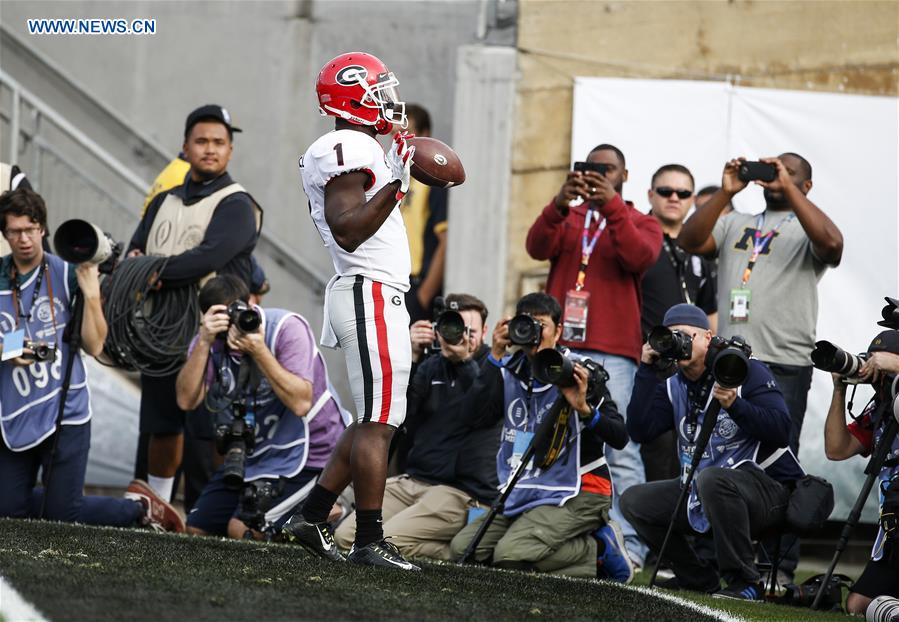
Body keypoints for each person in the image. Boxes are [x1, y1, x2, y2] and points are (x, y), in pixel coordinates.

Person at [281, 52, 419, 570]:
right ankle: (368, 540)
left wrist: (394, 180)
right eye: (377, 88)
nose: (386, 97)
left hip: (373, 290)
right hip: (368, 289)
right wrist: (398, 183)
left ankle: (312, 514)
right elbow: (349, 227)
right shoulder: (346, 145)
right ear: (353, 95)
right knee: (379, 422)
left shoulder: (356, 146)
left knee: (373, 419)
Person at [0, 188, 183, 532]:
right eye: (15, 231)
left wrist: (91, 292)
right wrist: (9, 347)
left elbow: (95, 344)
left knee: (60, 519)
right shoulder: (0, 274)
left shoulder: (66, 272)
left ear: (43, 229)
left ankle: (137, 510)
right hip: (12, 413)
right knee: (9, 513)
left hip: (64, 412)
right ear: (5, 233)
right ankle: (122, 503)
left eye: (31, 228)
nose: (24, 239)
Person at [525, 143, 662, 568]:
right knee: (546, 435)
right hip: (562, 344)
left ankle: (632, 546)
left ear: (624, 175)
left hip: (613, 351)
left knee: (619, 448)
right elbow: (536, 246)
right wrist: (558, 203)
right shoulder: (570, 217)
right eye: (590, 168)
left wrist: (613, 208)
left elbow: (639, 256)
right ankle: (540, 528)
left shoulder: (640, 220)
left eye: (608, 169)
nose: (598, 175)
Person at [127, 104, 262, 505]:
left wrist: (152, 271)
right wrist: (136, 264)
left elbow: (208, 257)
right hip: (161, 334)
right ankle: (155, 507)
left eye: (219, 143)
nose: (210, 149)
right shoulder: (162, 201)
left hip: (217, 335)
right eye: (201, 141)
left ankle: (210, 518)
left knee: (208, 434)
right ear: (184, 147)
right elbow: (137, 246)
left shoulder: (238, 204)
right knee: (159, 424)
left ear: (230, 151)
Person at [621, 303, 802, 600]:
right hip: (703, 489)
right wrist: (646, 368)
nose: (679, 342)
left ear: (708, 337)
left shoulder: (744, 369)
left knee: (713, 479)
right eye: (672, 336)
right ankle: (697, 578)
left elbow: (782, 430)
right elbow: (640, 431)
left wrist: (736, 406)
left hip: (766, 493)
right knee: (635, 501)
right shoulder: (673, 384)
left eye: (686, 335)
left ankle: (745, 580)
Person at [449, 293, 632, 580]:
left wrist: (584, 409)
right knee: (464, 550)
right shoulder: (510, 369)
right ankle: (553, 543)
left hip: (581, 488)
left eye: (541, 325)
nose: (532, 333)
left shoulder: (579, 370)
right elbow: (470, 418)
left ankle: (597, 549)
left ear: (558, 331)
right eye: (526, 324)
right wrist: (494, 355)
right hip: (526, 487)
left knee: (510, 555)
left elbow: (620, 436)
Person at [678, 154, 843, 456]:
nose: (778, 175)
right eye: (773, 168)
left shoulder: (808, 228)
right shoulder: (735, 222)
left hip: (785, 360)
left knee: (776, 454)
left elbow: (833, 246)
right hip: (730, 359)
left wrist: (789, 189)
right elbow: (688, 240)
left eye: (788, 172)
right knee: (722, 450)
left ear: (806, 185)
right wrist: (727, 191)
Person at [175, 275, 343, 539]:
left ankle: (325, 510)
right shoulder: (210, 339)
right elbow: (186, 400)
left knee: (240, 529)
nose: (233, 325)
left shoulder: (286, 328)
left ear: (252, 304)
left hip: (311, 453)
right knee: (198, 527)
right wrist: (205, 340)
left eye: (238, 312)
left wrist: (258, 349)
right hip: (256, 453)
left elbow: (301, 403)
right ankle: (300, 512)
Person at [335, 293, 497, 560]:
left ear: (485, 331)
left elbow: (482, 410)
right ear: (438, 328)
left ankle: (460, 552)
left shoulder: (491, 369)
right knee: (346, 537)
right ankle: (456, 549)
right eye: (454, 328)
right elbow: (400, 417)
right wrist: (410, 356)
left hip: (458, 492)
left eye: (470, 331)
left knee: (387, 541)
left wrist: (465, 363)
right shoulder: (432, 365)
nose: (461, 337)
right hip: (413, 481)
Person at [640, 164, 717, 482]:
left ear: (693, 199)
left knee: (689, 453)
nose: (674, 198)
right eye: (665, 191)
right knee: (651, 453)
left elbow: (710, 310)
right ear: (650, 195)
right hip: (648, 363)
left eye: (683, 193)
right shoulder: (639, 241)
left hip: (690, 371)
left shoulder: (698, 248)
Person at [823, 329, 899, 614]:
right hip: (893, 528)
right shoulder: (880, 409)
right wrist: (839, 389)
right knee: (858, 605)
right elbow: (836, 448)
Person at [400, 104, 448, 323]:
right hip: (391, 282)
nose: (400, 140)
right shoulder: (394, 174)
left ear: (425, 135)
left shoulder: (432, 179)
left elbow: (444, 240)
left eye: (407, 134)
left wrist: (424, 295)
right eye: (396, 134)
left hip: (415, 285)